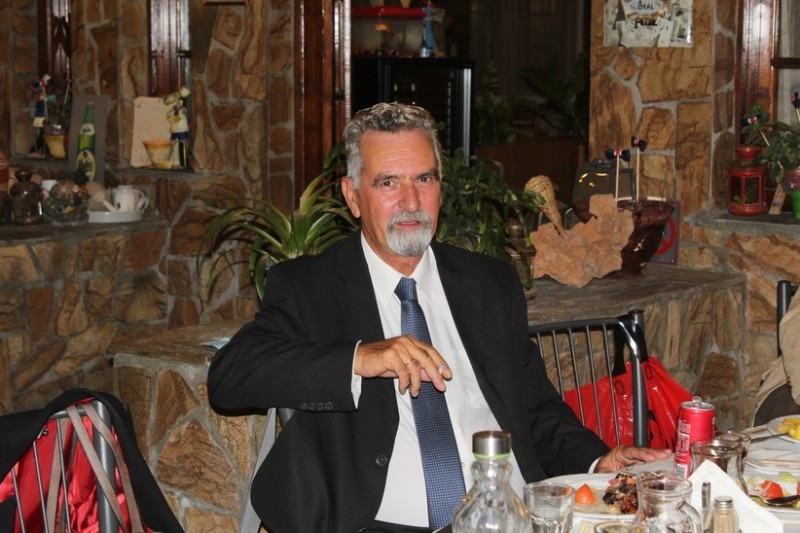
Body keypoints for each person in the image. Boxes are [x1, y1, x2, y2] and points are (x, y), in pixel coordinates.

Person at [207, 102, 670, 533]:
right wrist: (360, 358)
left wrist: (597, 462)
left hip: (509, 518)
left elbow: (533, 409)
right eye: (388, 183)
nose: (411, 202)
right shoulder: (312, 288)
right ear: (353, 196)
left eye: (424, 179)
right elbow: (230, 377)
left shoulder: (488, 283)